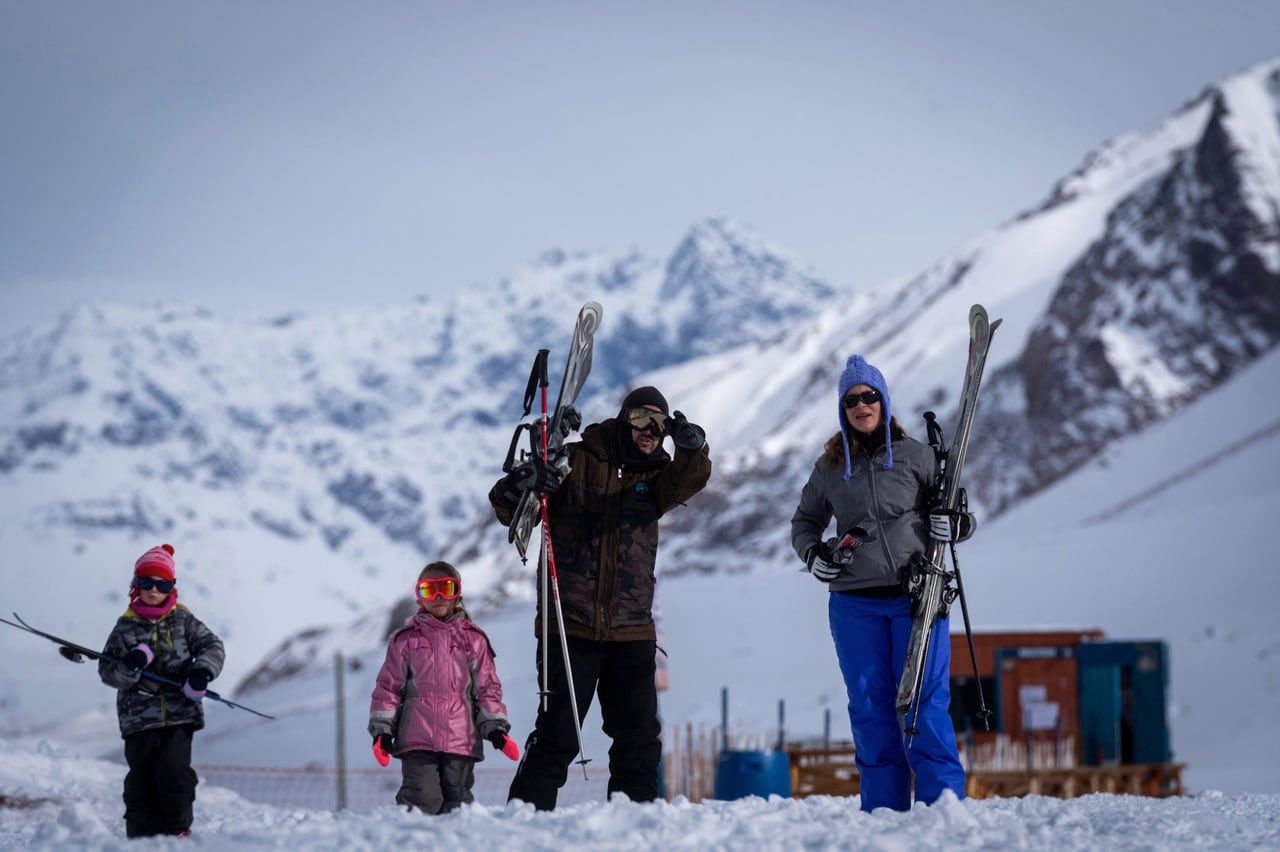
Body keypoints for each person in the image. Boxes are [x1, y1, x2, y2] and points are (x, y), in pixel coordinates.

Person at [489, 385, 711, 810]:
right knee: (557, 735)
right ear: (623, 419)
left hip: (631, 630)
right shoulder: (576, 459)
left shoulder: (658, 477)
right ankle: (525, 821)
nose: (649, 431)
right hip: (569, 624)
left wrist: (693, 448)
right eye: (641, 419)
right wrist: (527, 481)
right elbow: (507, 509)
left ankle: (636, 825)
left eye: (659, 424)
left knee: (639, 737)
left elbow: (691, 478)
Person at [790, 355, 975, 813]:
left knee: (924, 706)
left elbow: (962, 515)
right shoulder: (830, 468)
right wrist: (814, 556)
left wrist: (955, 525)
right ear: (842, 408)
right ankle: (884, 817)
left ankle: (943, 813)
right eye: (852, 399)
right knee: (871, 711)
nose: (861, 404)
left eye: (869, 395)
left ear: (884, 400)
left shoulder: (917, 456)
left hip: (919, 598)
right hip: (854, 605)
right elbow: (804, 522)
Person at [368, 560, 518, 813]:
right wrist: (382, 732)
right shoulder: (406, 641)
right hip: (417, 739)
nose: (438, 597)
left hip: (462, 740)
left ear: (457, 595)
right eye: (429, 589)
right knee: (421, 797)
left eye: (446, 588)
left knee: (458, 802)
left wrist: (496, 730)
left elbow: (487, 689)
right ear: (419, 599)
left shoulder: (473, 640)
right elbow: (388, 689)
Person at [98, 544, 225, 839]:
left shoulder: (184, 620)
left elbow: (213, 646)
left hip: (180, 715)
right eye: (146, 582)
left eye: (162, 583)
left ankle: (177, 831)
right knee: (140, 780)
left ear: (172, 586)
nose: (153, 589)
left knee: (174, 772)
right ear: (135, 585)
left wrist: (201, 672)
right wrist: (129, 667)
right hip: (138, 719)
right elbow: (107, 671)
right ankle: (141, 839)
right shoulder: (124, 628)